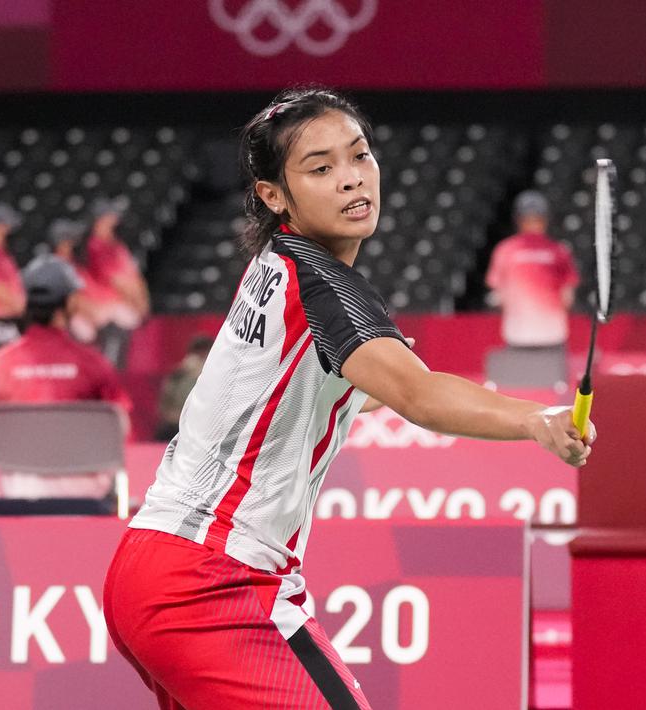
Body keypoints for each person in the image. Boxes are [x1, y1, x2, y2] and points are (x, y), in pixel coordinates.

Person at [103, 88, 595, 710]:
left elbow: (280, 398)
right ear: (272, 195)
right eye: (321, 168)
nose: (351, 179)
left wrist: (362, 390)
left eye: (360, 156)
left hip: (151, 564)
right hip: (213, 578)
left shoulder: (275, 263)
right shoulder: (324, 285)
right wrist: (536, 419)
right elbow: (418, 393)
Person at [0, 254, 133, 496]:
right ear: (69, 303)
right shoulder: (92, 361)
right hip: (86, 493)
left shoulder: (1, 362)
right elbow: (120, 424)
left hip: (19, 490)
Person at [486, 190, 580, 347]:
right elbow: (568, 297)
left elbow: (498, 295)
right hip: (545, 334)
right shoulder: (559, 249)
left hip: (524, 334)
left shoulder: (505, 249)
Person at [86, 196, 150, 367]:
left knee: (121, 361)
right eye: (111, 215)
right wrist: (137, 301)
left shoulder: (117, 245)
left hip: (126, 309)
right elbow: (116, 281)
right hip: (107, 312)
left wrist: (142, 301)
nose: (115, 218)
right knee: (109, 362)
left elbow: (134, 276)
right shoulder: (95, 246)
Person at [154, 335, 214, 442]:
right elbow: (165, 406)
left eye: (204, 355)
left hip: (206, 426)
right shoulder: (178, 375)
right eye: (197, 354)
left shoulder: (216, 375)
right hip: (177, 425)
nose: (198, 359)